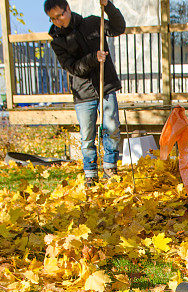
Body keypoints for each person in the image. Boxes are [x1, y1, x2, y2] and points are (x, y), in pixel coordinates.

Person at [45, 0, 126, 185]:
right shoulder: (58, 42)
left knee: (112, 128)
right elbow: (73, 68)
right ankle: (90, 173)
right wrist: (93, 59)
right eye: (53, 19)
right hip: (83, 93)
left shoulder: (92, 23)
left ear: (68, 9)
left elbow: (118, 27)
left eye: (60, 15)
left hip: (106, 85)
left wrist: (109, 6)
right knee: (87, 136)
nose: (58, 21)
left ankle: (110, 167)